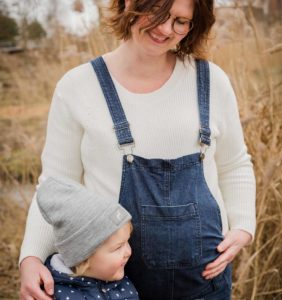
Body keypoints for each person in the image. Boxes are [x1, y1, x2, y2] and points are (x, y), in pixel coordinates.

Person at [19, 0, 256, 299]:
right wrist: (30, 257)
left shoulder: (212, 81)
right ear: (129, 3)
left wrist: (244, 227)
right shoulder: (78, 86)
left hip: (204, 282)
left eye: (180, 21)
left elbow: (234, 164)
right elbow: (55, 187)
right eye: (157, 13)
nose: (165, 29)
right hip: (105, 286)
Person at [36, 177, 139, 300]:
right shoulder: (55, 294)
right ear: (84, 258)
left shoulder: (120, 284)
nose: (128, 252)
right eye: (118, 247)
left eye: (127, 242)